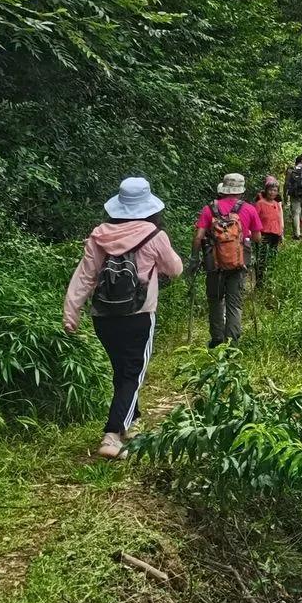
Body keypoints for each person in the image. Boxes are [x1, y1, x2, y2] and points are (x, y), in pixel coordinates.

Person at [64, 177, 183, 460]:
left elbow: (84, 277)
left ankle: (131, 422)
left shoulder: (98, 235)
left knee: (123, 372)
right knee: (133, 374)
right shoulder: (155, 235)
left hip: (103, 317)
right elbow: (175, 269)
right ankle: (113, 434)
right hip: (139, 315)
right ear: (149, 205)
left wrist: (71, 312)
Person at [189, 173, 262, 347]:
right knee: (234, 303)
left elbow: (198, 237)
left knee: (215, 300)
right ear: (241, 191)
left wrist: (193, 258)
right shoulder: (249, 209)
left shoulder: (209, 209)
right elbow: (258, 238)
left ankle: (216, 339)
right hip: (239, 264)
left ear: (224, 189)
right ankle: (232, 344)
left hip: (213, 263)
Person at [253, 175, 284, 287]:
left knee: (272, 258)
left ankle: (270, 280)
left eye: (275, 190)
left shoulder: (276, 204)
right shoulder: (260, 204)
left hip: (275, 235)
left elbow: (278, 220)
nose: (272, 193)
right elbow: (254, 220)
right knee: (261, 259)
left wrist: (281, 233)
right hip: (263, 235)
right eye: (270, 190)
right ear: (266, 190)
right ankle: (260, 283)